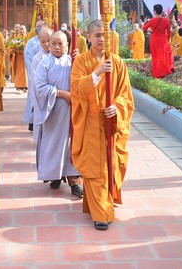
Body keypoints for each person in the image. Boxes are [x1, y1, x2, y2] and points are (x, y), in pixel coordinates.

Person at [71, 20, 134, 231]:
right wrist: (97, 73)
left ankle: (105, 199)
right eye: (97, 35)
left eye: (105, 35)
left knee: (113, 164)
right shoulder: (81, 62)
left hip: (111, 125)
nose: (101, 39)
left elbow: (126, 95)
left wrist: (116, 108)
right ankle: (102, 213)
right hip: (90, 124)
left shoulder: (117, 63)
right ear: (88, 37)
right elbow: (76, 90)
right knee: (96, 167)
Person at [33, 31, 83, 198]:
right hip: (52, 111)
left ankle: (74, 181)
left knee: (71, 145)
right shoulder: (44, 63)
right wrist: (61, 94)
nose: (55, 47)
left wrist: (80, 59)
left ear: (67, 45)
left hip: (72, 111)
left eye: (60, 44)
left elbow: (84, 80)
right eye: (52, 43)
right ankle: (55, 175)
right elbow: (39, 88)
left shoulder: (73, 62)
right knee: (54, 145)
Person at [24, 20, 47, 131]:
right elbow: (28, 60)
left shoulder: (53, 43)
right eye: (37, 26)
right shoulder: (31, 43)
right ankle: (32, 122)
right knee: (34, 98)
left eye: (40, 26)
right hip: (37, 77)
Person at [30, 27, 53, 142]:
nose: (46, 44)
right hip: (43, 96)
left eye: (49, 40)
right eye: (43, 42)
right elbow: (35, 80)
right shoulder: (37, 58)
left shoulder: (62, 55)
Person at [143, 4, 174, 78]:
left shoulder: (152, 20)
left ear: (155, 11)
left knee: (155, 56)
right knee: (164, 55)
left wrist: (150, 29)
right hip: (163, 39)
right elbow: (169, 32)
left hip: (154, 39)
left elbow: (144, 27)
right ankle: (165, 70)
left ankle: (157, 73)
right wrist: (167, 39)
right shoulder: (166, 20)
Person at [8, 24, 28, 92]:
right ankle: (19, 86)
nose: (21, 30)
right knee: (19, 72)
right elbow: (10, 48)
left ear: (25, 30)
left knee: (25, 73)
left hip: (25, 57)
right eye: (20, 29)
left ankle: (26, 86)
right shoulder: (16, 39)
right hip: (18, 58)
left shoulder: (28, 38)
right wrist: (13, 51)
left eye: (23, 29)